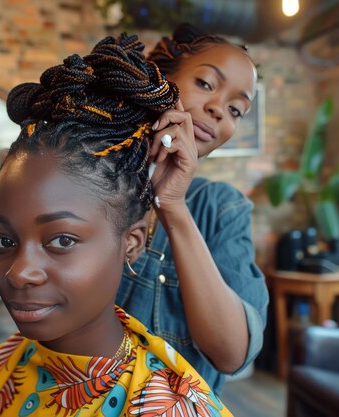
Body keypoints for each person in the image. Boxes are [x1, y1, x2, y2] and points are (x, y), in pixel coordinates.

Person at [0, 33, 234, 417]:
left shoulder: (167, 407)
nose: (19, 273)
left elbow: (232, 350)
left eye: (61, 239)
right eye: (4, 240)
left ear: (132, 243)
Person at [115, 22, 269, 393]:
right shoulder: (92, 181)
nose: (219, 110)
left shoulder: (223, 209)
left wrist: (173, 207)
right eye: (205, 84)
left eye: (236, 109)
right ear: (159, 81)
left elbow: (231, 354)